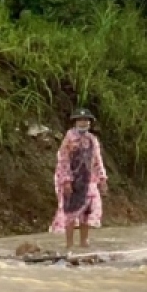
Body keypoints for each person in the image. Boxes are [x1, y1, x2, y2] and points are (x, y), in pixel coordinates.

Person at [51, 108, 108, 251]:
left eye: (86, 120)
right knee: (71, 211)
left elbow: (97, 160)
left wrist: (102, 179)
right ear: (75, 122)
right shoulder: (69, 138)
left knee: (87, 211)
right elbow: (63, 160)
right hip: (72, 179)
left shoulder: (92, 139)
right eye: (80, 120)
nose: (83, 123)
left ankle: (84, 241)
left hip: (88, 179)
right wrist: (67, 181)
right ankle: (69, 243)